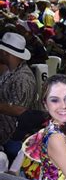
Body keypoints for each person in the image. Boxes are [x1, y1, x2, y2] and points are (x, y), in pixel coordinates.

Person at [0, 32, 37, 163]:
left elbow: (19, 109)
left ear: (5, 53)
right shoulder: (10, 70)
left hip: (13, 138)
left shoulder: (23, 78)